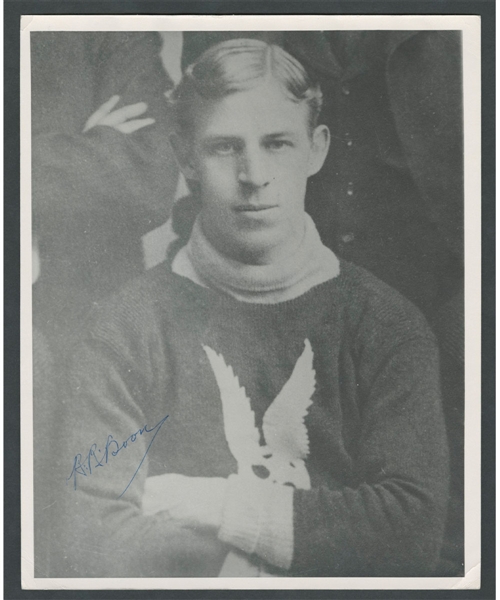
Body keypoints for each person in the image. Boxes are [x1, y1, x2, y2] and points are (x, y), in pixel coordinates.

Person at [58, 39, 449, 578]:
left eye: (278, 144)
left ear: (317, 149)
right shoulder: (124, 328)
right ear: (184, 158)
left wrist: (216, 506)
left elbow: (410, 535)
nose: (254, 175)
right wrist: (314, 546)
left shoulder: (388, 326)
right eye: (224, 147)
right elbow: (93, 536)